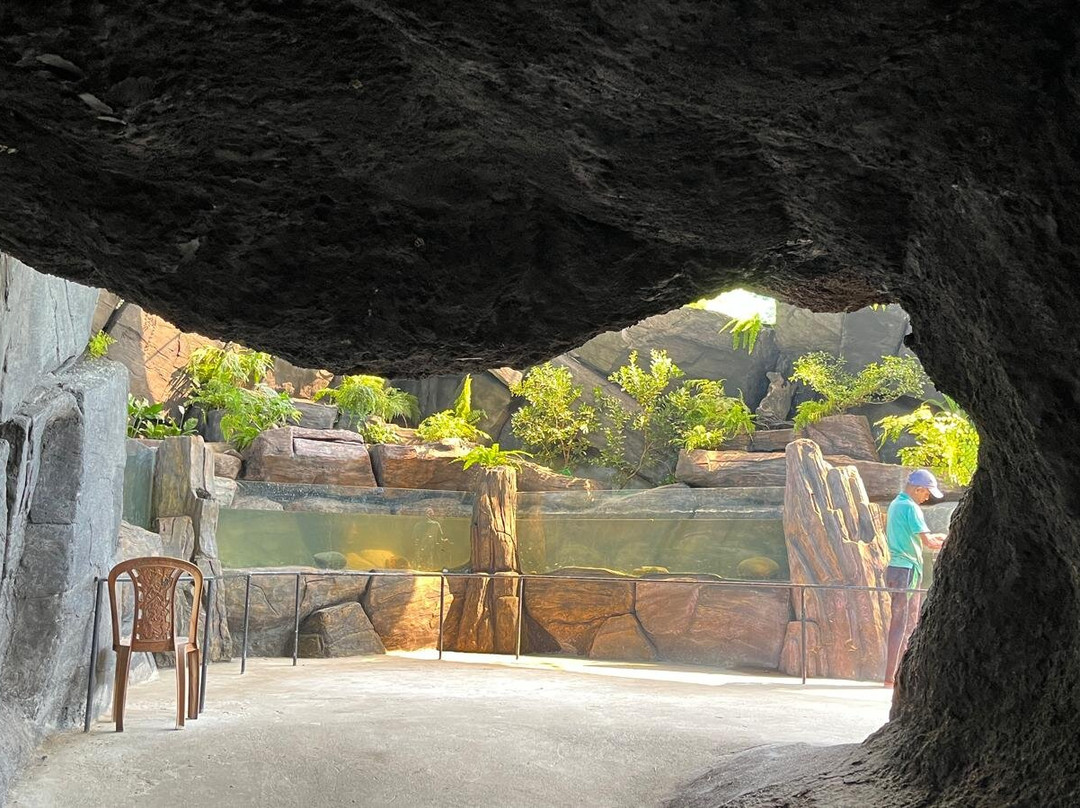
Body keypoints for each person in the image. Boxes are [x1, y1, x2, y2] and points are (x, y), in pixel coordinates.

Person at [883, 469, 947, 687]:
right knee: (905, 623)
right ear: (918, 489)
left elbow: (920, 537)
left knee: (900, 622)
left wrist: (936, 537)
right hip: (907, 571)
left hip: (895, 569)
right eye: (927, 493)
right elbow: (929, 543)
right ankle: (894, 677)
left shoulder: (896, 504)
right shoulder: (911, 507)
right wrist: (950, 540)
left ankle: (894, 675)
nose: (927, 497)